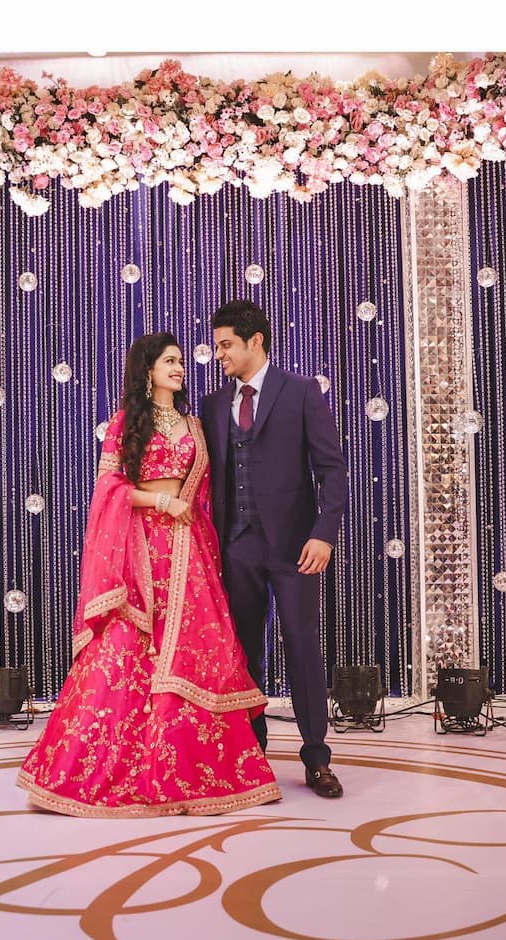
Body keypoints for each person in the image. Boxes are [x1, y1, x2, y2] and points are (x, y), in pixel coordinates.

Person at [17, 331, 282, 817]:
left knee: (195, 650)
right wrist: (161, 500)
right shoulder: (126, 423)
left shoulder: (195, 424)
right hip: (139, 549)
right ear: (147, 371)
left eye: (181, 361)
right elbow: (108, 489)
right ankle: (102, 768)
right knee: (125, 651)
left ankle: (185, 770)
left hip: (188, 550)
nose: (180, 368)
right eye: (169, 361)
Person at [202, 300, 348, 798]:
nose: (219, 354)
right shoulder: (213, 405)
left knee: (302, 645)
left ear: (255, 341)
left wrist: (323, 533)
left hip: (295, 547)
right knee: (244, 651)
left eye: (226, 345)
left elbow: (331, 469)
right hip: (236, 546)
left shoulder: (301, 391)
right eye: (217, 346)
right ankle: (253, 751)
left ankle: (317, 757)